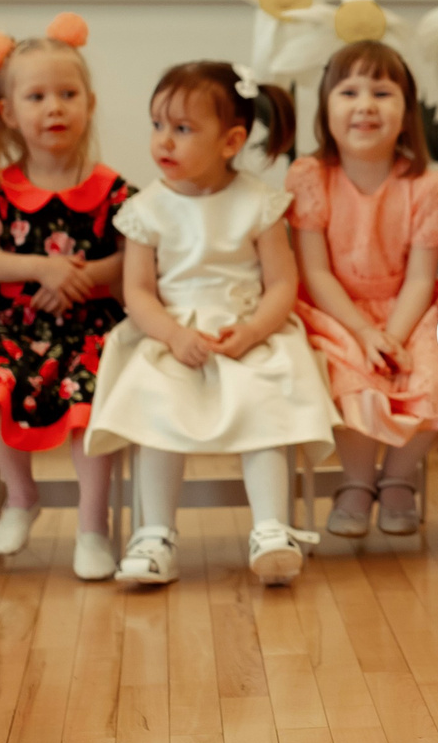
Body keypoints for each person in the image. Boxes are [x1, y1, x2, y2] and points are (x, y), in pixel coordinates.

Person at [87, 62, 337, 586]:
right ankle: (154, 533)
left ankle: (272, 528)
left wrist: (251, 332)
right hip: (171, 333)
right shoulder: (145, 209)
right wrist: (173, 335)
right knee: (155, 402)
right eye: (158, 125)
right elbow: (137, 291)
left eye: (182, 129)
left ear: (231, 141)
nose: (164, 142)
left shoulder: (259, 203)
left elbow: (281, 286)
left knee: (265, 398)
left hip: (247, 330)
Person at [0, 14, 131, 581]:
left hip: (92, 327)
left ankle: (93, 527)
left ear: (89, 103)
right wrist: (44, 269)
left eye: (68, 94)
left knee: (87, 407)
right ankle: (21, 497)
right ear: (8, 112)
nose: (54, 108)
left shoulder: (112, 189)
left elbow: (132, 260)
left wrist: (82, 277)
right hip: (16, 327)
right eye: (38, 96)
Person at [288, 40, 438, 540]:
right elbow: (315, 273)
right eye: (349, 91)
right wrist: (364, 332)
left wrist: (395, 335)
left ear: (406, 113)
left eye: (382, 93)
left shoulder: (429, 185)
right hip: (337, 310)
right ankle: (357, 482)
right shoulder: (310, 176)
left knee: (431, 371)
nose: (365, 104)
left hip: (411, 307)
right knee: (348, 373)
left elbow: (423, 278)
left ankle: (400, 479)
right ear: (326, 108)